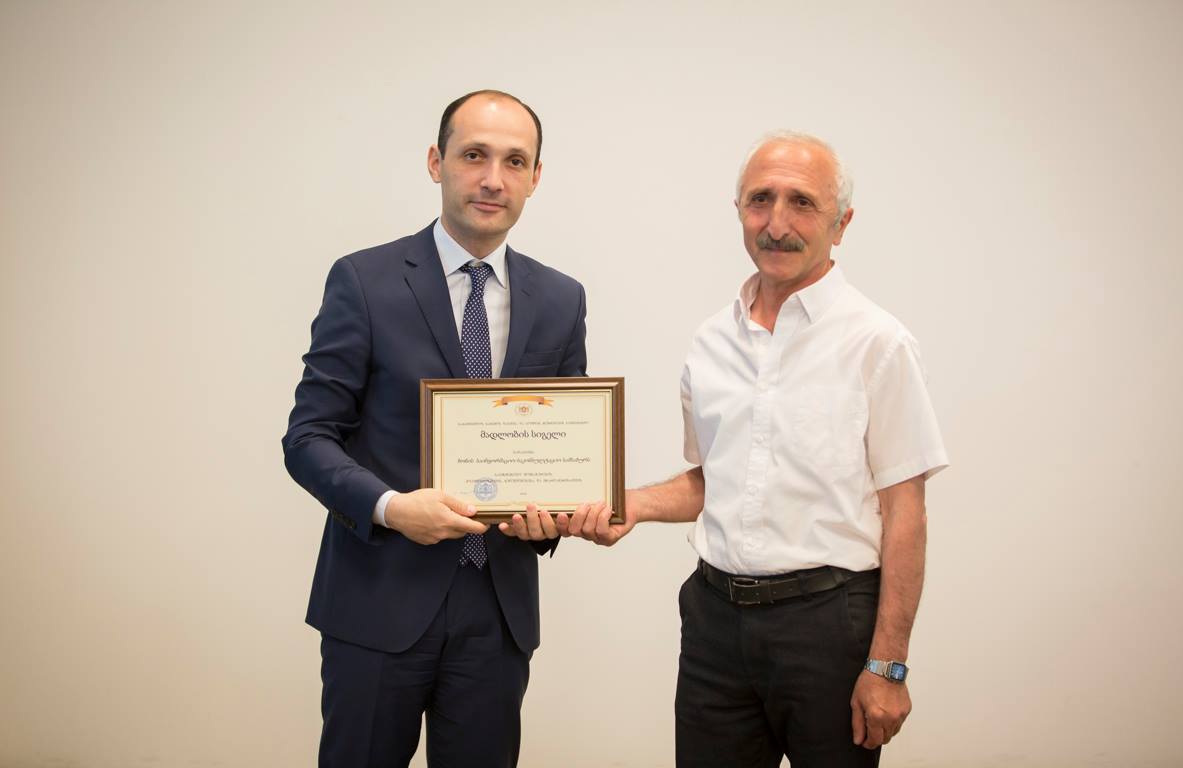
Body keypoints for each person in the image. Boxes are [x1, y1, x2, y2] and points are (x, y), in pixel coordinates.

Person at [563, 131, 948, 767]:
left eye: (802, 203)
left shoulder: (879, 344)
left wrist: (888, 666)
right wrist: (629, 504)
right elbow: (713, 479)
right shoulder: (712, 340)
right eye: (760, 200)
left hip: (828, 626)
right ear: (738, 209)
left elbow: (906, 514)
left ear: (842, 223)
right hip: (714, 623)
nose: (776, 223)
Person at [282, 89, 587, 768]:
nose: (493, 179)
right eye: (474, 155)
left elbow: (564, 447)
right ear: (435, 162)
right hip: (377, 601)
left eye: (514, 161)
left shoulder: (561, 299)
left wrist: (554, 515)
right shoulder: (364, 281)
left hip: (497, 613)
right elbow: (308, 438)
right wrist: (392, 508)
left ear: (535, 177)